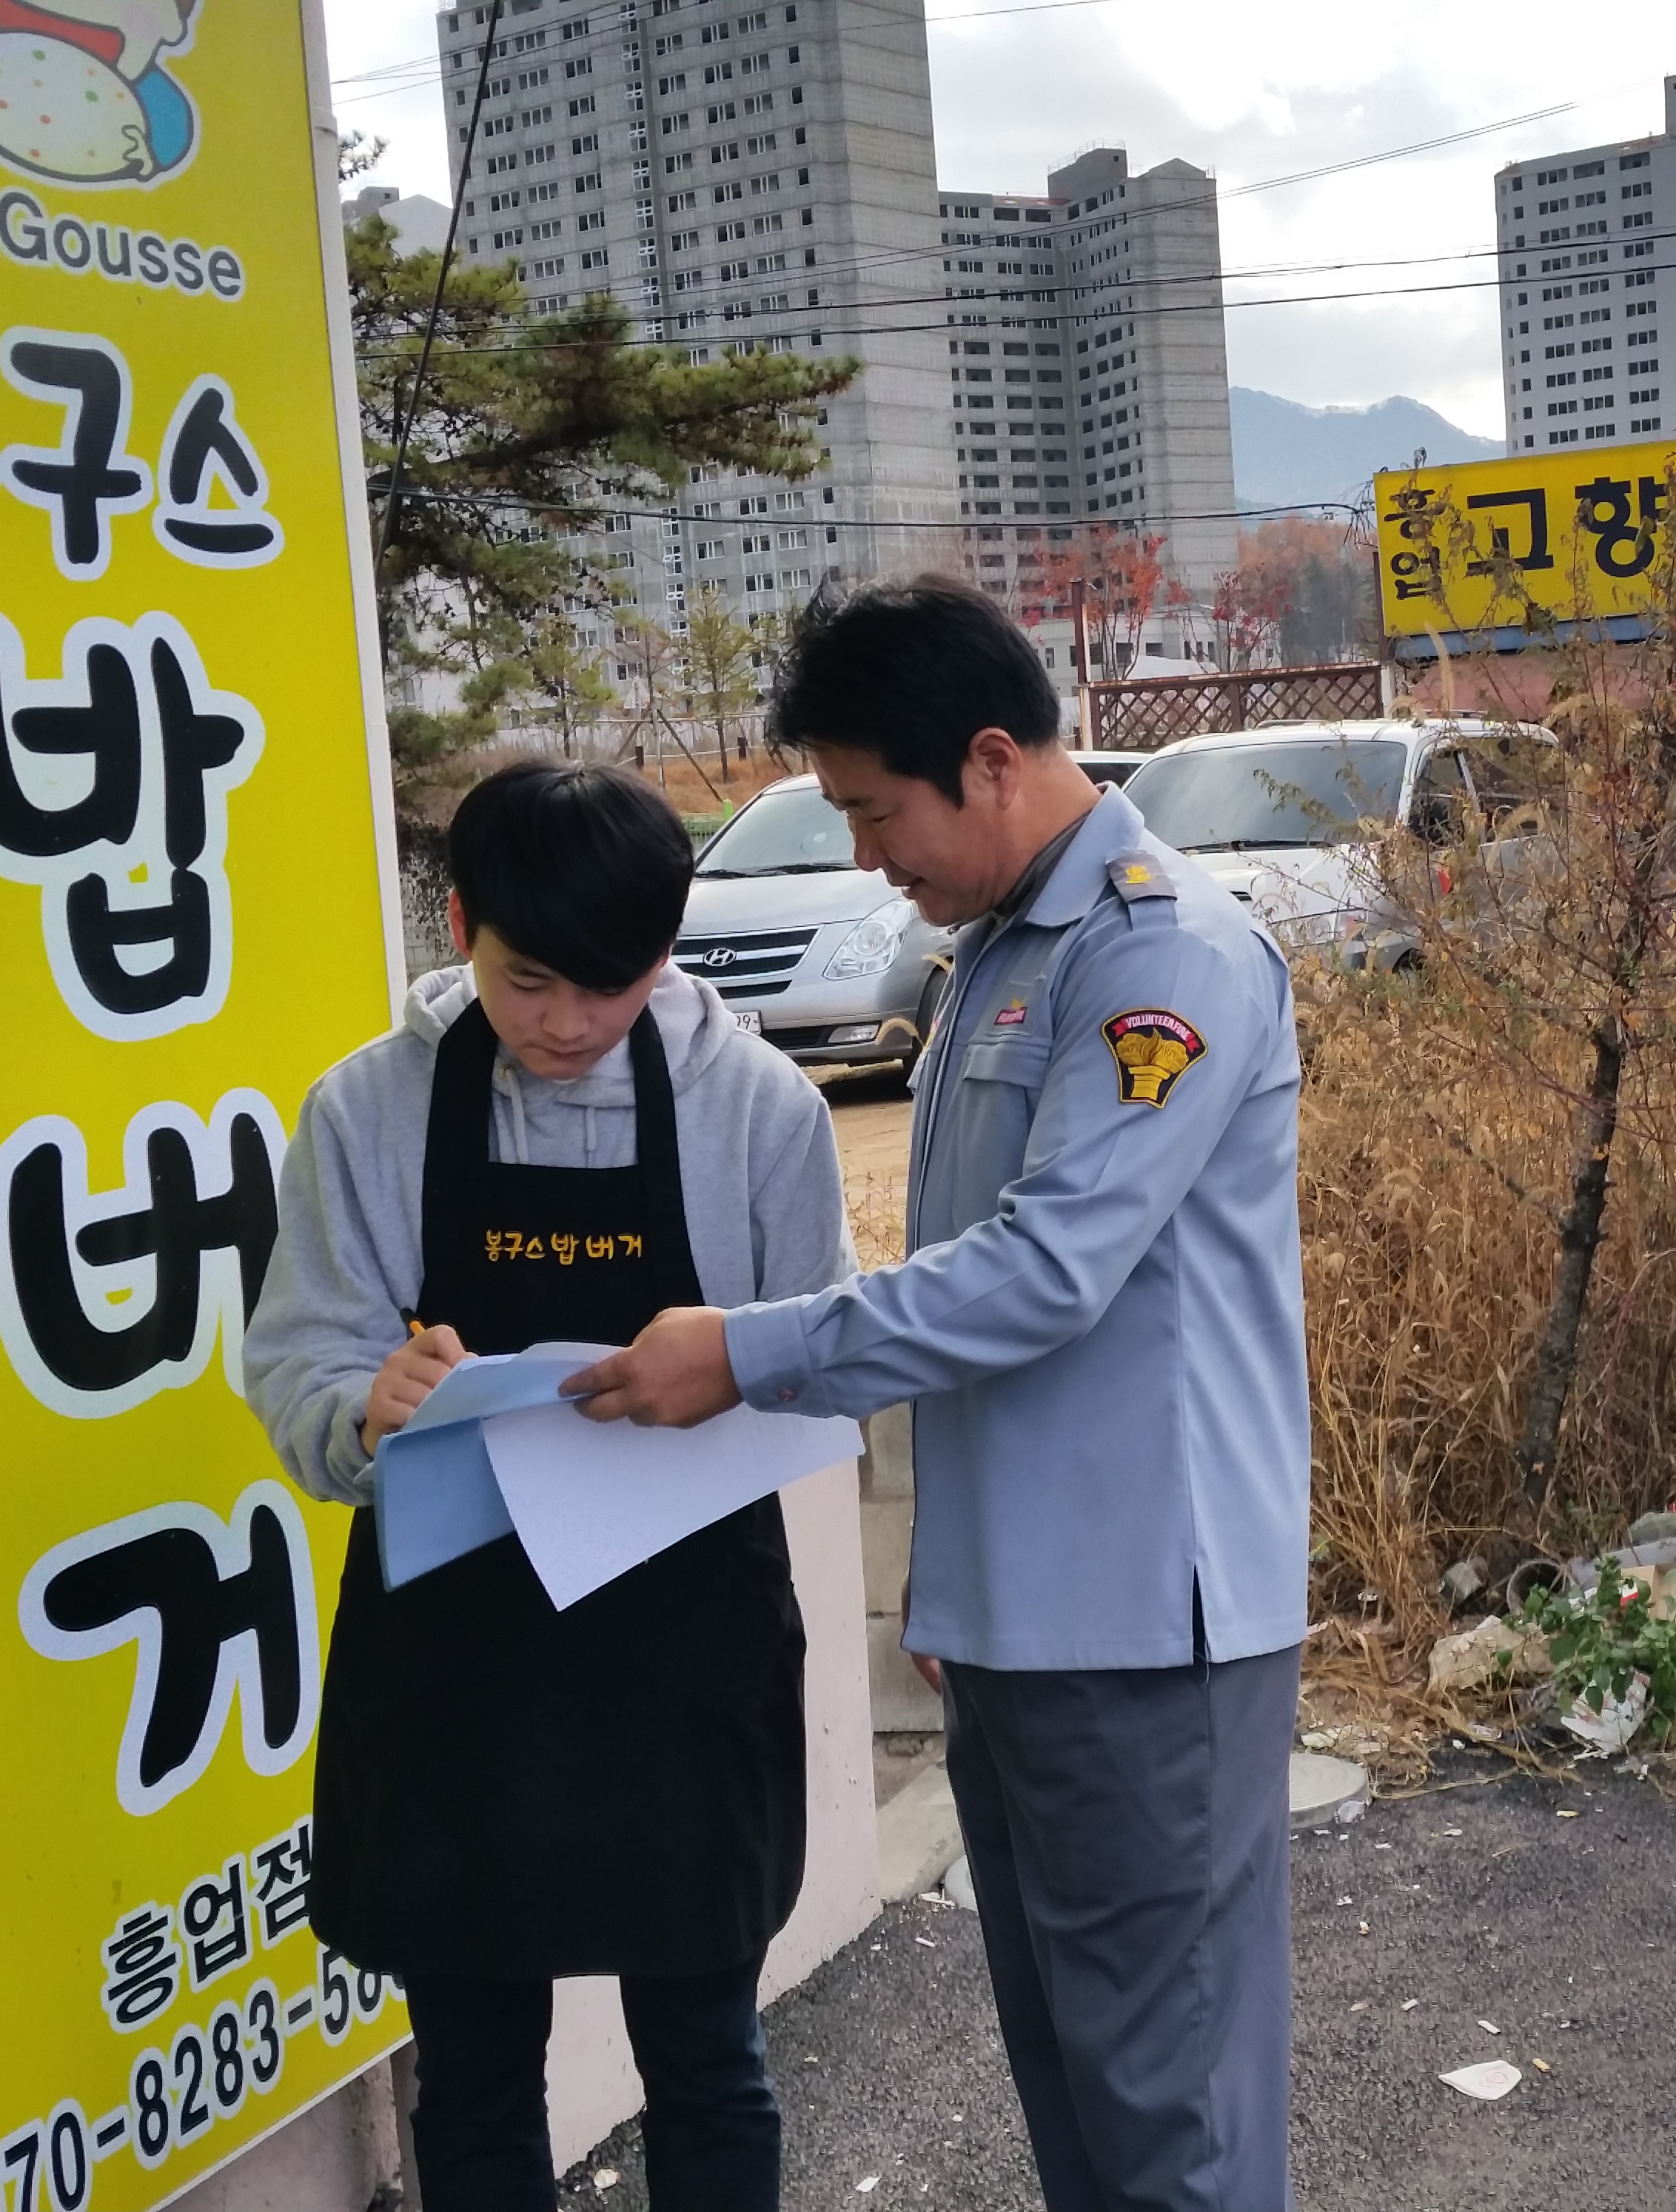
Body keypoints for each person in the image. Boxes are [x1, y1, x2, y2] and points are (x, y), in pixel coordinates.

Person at [560, 578, 1307, 2212]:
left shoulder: (1159, 956)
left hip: (1142, 1629)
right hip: (1029, 1621)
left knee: (1169, 2101)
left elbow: (1043, 1276)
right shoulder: (996, 953)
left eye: (872, 809)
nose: (861, 854)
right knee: (1079, 2079)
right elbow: (978, 1304)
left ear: (988, 760)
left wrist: (744, 1349)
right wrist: (950, 1583)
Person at [244, 760, 852, 2212]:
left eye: (613, 986)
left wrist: (741, 1366)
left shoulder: (758, 1109)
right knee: (470, 2075)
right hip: (458, 1663)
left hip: (686, 1654)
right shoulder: (370, 1108)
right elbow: (300, 1355)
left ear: (667, 948)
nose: (569, 1024)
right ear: (460, 924)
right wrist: (365, 1403)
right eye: (528, 982)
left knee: (708, 2059)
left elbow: (830, 1357)